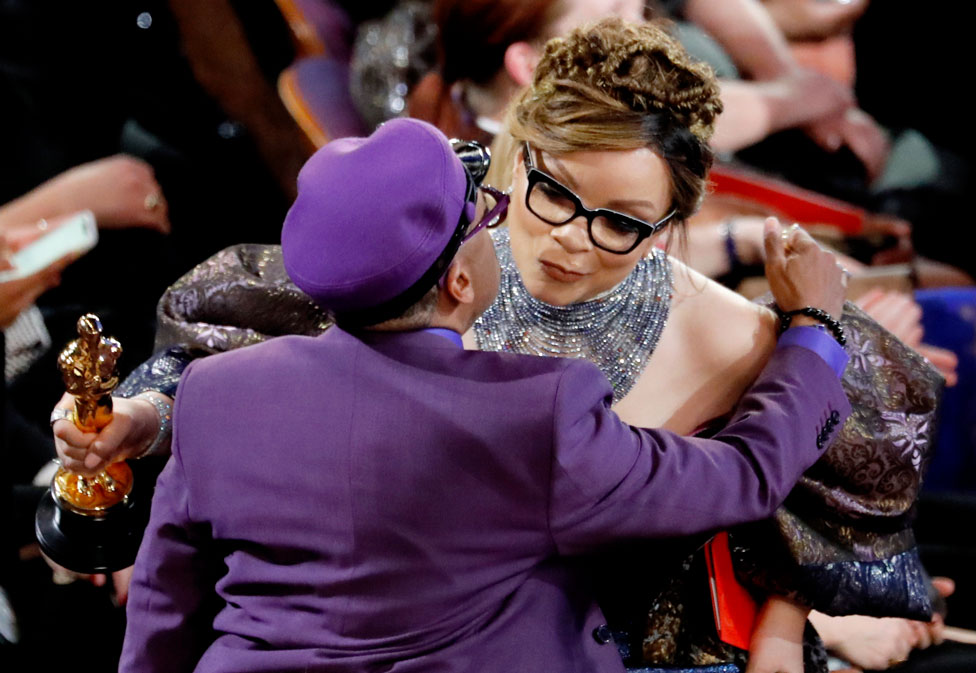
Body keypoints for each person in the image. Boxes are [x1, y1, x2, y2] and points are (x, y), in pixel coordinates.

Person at [54, 18, 940, 673]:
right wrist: (141, 411)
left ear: (672, 226)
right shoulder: (401, 252)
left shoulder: (732, 333)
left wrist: (788, 629)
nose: (574, 239)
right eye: (553, 191)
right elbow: (232, 368)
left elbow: (771, 504)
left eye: (623, 222)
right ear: (513, 155)